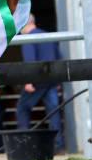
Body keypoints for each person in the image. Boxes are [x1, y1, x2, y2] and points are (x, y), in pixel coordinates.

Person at [16, 14, 64, 152]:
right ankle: (57, 145)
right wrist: (58, 81)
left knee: (22, 108)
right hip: (51, 81)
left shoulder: (28, 38)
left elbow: (30, 60)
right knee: (53, 111)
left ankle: (23, 144)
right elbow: (59, 58)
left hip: (37, 81)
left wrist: (28, 81)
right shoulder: (48, 36)